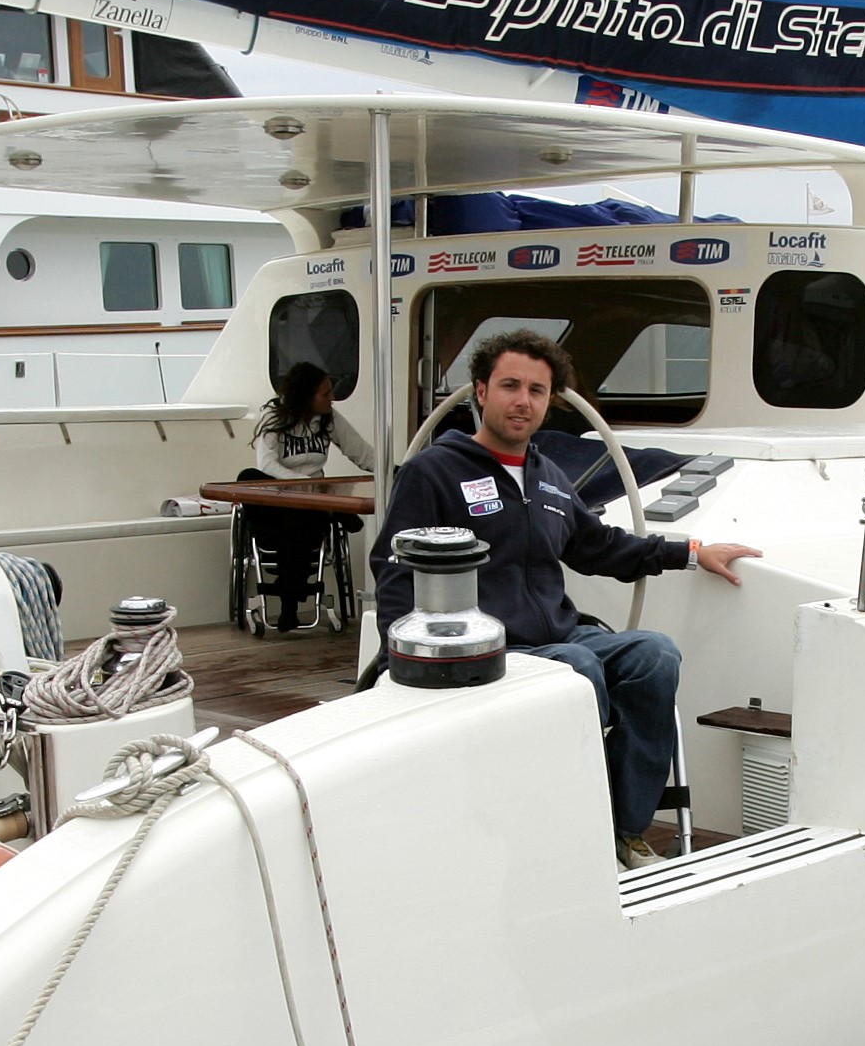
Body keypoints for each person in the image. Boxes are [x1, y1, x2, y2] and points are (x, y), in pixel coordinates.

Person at [374, 329, 760, 869]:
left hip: (558, 636)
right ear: (480, 392)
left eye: (537, 390)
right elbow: (395, 566)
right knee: (578, 665)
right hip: (488, 650)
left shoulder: (549, 477)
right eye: (510, 385)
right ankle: (570, 824)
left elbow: (600, 547)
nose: (523, 400)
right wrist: (406, 656)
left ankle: (623, 829)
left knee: (655, 654)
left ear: (549, 401)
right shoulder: (434, 472)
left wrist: (692, 551)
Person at [237, 361, 367, 630]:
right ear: (306, 397)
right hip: (280, 501)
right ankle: (335, 509)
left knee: (297, 519)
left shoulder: (329, 418)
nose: (332, 398)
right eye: (325, 393)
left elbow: (362, 453)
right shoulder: (274, 419)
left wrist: (399, 470)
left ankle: (289, 606)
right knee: (247, 477)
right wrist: (306, 486)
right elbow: (267, 465)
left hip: (306, 510)